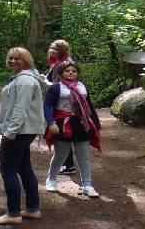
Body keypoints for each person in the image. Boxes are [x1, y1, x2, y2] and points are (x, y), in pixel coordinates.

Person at [0, 47, 46, 225]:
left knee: (8, 170)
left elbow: (20, 110)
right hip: (24, 131)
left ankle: (13, 213)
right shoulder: (24, 78)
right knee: (24, 168)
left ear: (26, 60)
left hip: (20, 131)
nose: (13, 61)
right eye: (11, 58)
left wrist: (10, 132)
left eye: (18, 58)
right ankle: (33, 209)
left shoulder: (25, 81)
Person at [42, 60, 102, 198]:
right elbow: (47, 106)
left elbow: (89, 105)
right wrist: (51, 123)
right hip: (62, 123)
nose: (70, 73)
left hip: (81, 123)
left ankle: (87, 184)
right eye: (67, 71)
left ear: (78, 74)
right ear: (61, 73)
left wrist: (96, 124)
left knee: (83, 154)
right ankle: (51, 179)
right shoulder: (56, 87)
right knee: (61, 154)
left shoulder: (82, 86)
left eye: (74, 71)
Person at [44, 39, 76, 175]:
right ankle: (66, 163)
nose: (52, 51)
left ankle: (67, 164)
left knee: (62, 133)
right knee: (63, 133)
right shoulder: (58, 62)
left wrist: (45, 81)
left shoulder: (62, 64)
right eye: (51, 48)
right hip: (62, 101)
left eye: (55, 49)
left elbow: (59, 85)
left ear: (61, 51)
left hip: (61, 104)